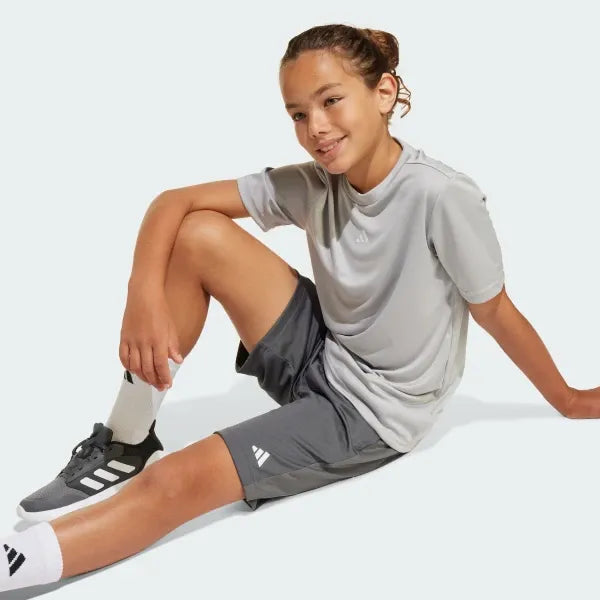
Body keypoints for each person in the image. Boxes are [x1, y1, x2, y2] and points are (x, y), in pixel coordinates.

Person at [1, 22, 593, 593]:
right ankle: (127, 437)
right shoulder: (316, 182)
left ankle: (15, 563)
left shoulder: (442, 196)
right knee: (200, 232)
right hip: (323, 350)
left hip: (368, 414)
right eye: (298, 114)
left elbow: (495, 311)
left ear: (384, 93)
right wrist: (142, 297)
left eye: (331, 101)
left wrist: (566, 399)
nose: (316, 127)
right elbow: (173, 202)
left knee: (179, 480)